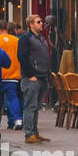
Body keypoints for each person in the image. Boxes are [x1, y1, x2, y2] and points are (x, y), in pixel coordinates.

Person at [18, 14, 52, 144]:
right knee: (30, 106)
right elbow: (22, 57)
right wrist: (29, 74)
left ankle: (35, 132)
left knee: (36, 106)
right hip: (32, 78)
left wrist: (48, 73)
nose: (42, 23)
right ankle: (29, 134)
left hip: (42, 76)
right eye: (38, 22)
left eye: (41, 21)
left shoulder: (41, 38)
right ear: (31, 24)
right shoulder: (26, 38)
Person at [0, 20, 23, 129]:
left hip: (0, 74)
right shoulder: (16, 40)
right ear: (7, 27)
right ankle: (17, 120)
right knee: (13, 98)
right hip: (14, 74)